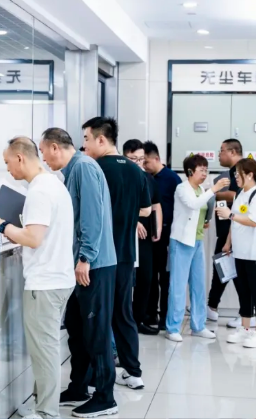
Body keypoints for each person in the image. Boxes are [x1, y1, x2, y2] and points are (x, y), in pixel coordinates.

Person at [38, 128, 118, 418]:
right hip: (79, 265)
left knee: (96, 332)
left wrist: (85, 257)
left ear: (55, 148)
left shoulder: (83, 168)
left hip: (94, 265)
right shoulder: (72, 171)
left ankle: (106, 397)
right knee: (76, 328)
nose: (44, 159)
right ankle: (79, 386)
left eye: (44, 152)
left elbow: (92, 217)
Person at [0, 137, 76, 419]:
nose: (7, 168)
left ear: (20, 158)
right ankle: (40, 405)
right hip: (58, 278)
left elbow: (33, 238)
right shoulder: (53, 184)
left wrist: (2, 226)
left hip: (45, 282)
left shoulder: (40, 191)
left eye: (7, 162)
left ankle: (46, 413)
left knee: (44, 351)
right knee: (45, 348)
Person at [82, 117, 151, 390]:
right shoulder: (136, 171)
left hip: (100, 256)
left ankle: (93, 378)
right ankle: (133, 372)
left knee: (96, 317)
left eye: (87, 139)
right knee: (124, 313)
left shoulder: (94, 169)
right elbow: (145, 209)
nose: (84, 146)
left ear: (101, 139)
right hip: (126, 254)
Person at [165, 154, 229, 342]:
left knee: (198, 285)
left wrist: (205, 221)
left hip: (197, 241)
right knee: (178, 287)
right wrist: (214, 190)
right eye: (201, 170)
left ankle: (198, 326)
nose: (204, 173)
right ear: (190, 171)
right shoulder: (182, 188)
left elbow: (202, 210)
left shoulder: (201, 189)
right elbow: (193, 204)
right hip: (182, 241)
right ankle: (172, 328)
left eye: (206, 170)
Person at [215, 159, 256, 348]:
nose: (235, 177)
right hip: (240, 252)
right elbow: (234, 223)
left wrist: (230, 215)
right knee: (243, 291)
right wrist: (228, 243)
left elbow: (254, 221)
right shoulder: (241, 193)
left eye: (238, 174)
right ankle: (245, 328)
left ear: (250, 175)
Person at [206, 139, 252, 329]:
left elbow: (238, 195)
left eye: (222, 150)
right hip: (229, 229)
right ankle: (212, 306)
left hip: (234, 229)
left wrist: (214, 192)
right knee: (222, 266)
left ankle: (247, 313)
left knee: (236, 271)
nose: (219, 154)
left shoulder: (240, 170)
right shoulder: (236, 171)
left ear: (232, 152)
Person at [123, 139, 163, 336]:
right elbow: (117, 206)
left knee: (146, 278)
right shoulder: (121, 177)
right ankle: (125, 322)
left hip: (146, 237)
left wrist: (157, 229)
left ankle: (138, 319)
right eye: (133, 159)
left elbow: (156, 204)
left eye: (141, 159)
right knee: (126, 281)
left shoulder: (148, 178)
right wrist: (134, 222)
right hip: (126, 236)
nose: (138, 163)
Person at [143, 141, 182, 330]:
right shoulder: (145, 178)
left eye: (146, 162)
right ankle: (150, 314)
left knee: (165, 278)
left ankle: (166, 316)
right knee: (149, 277)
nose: (144, 165)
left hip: (167, 235)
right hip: (149, 235)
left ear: (157, 159)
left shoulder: (172, 179)